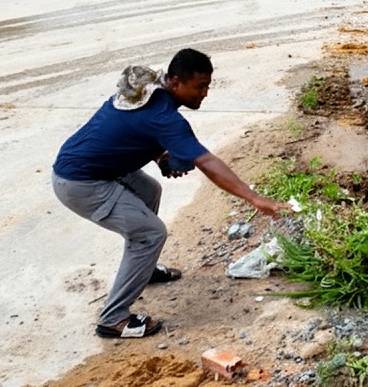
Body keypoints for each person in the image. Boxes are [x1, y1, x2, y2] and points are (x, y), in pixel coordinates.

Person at [52, 49, 289, 339]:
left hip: (90, 165)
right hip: (81, 182)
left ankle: (144, 268)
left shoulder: (148, 90)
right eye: (200, 86)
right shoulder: (164, 117)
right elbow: (207, 162)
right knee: (151, 234)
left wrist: (160, 155)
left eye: (207, 86)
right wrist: (255, 198)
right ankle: (113, 319)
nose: (205, 94)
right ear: (175, 83)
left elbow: (129, 129)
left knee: (149, 190)